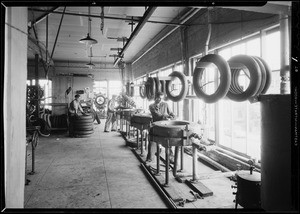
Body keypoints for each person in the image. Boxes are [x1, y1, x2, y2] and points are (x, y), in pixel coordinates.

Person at [146, 91, 176, 163]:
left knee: (168, 142)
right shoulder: (151, 106)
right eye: (159, 98)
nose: (160, 100)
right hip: (156, 126)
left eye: (161, 98)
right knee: (152, 140)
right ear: (155, 98)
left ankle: (170, 158)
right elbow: (157, 115)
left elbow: (171, 113)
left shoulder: (166, 104)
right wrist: (166, 116)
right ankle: (150, 158)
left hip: (165, 126)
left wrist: (173, 116)